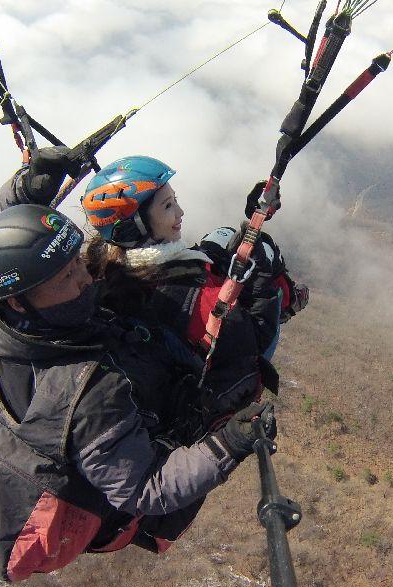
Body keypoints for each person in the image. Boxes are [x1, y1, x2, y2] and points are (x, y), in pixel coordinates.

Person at [0, 151, 275, 582]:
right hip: (110, 495)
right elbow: (145, 489)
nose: (87, 277)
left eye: (76, 264)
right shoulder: (87, 390)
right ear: (19, 300)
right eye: (66, 278)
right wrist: (228, 444)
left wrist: (30, 185)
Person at [79, 156, 309, 423]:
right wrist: (262, 285)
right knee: (264, 251)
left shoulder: (104, 267)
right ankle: (288, 302)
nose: (180, 213)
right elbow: (255, 346)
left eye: (174, 200)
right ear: (135, 226)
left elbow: (183, 265)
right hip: (220, 370)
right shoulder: (192, 301)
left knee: (222, 235)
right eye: (167, 206)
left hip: (187, 330)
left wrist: (247, 227)